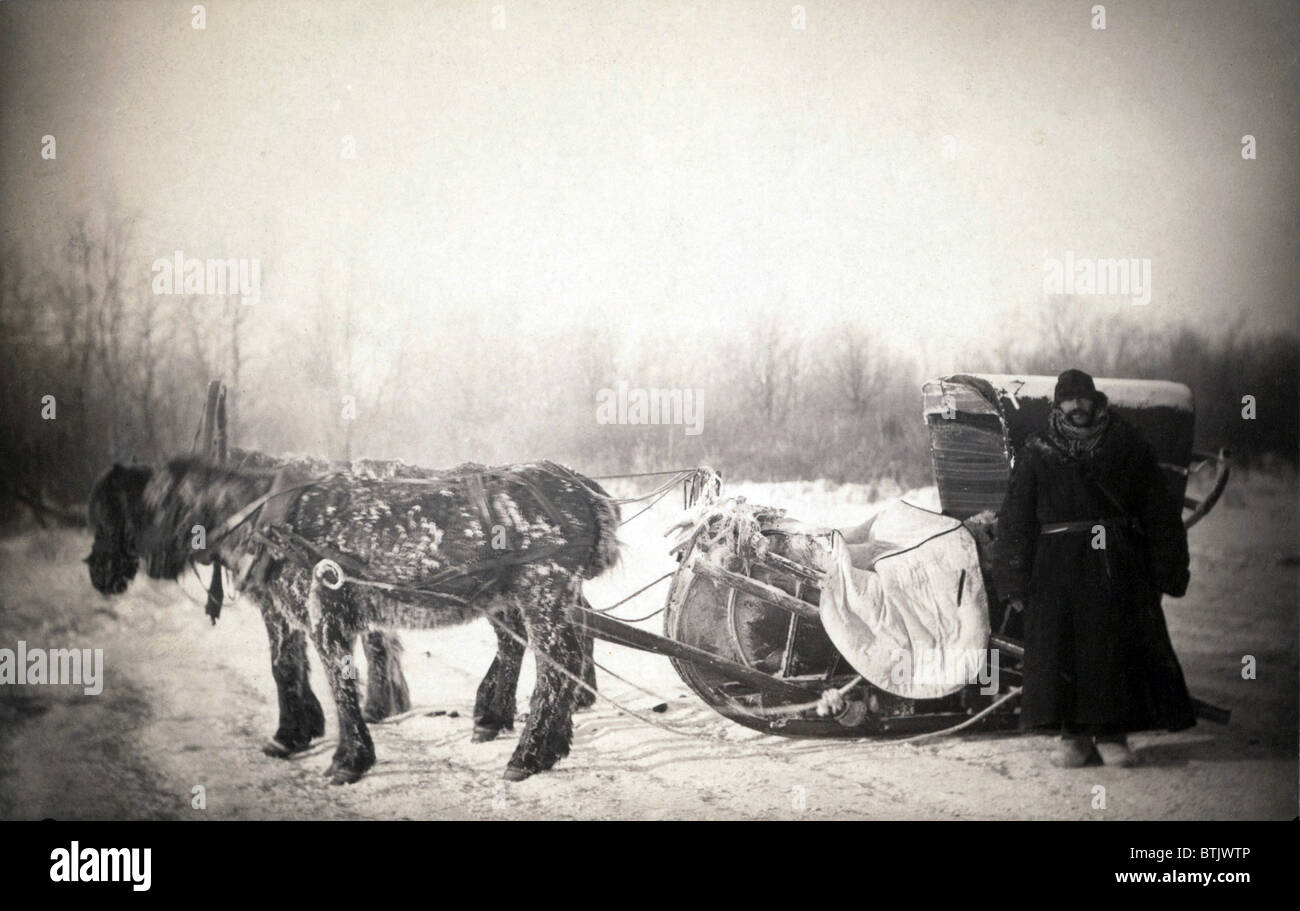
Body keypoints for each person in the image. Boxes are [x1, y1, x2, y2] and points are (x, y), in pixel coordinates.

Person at [993, 369, 1196, 767]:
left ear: (1096, 400)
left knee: (1110, 648)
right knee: (1062, 650)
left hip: (1115, 563)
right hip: (1056, 566)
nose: (1077, 407)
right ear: (1058, 405)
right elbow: (1015, 518)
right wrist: (1013, 580)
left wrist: (1167, 567)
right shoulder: (1038, 450)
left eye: (1083, 398)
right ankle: (1073, 737)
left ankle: (1112, 735)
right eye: (1068, 400)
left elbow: (1159, 511)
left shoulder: (1126, 444)